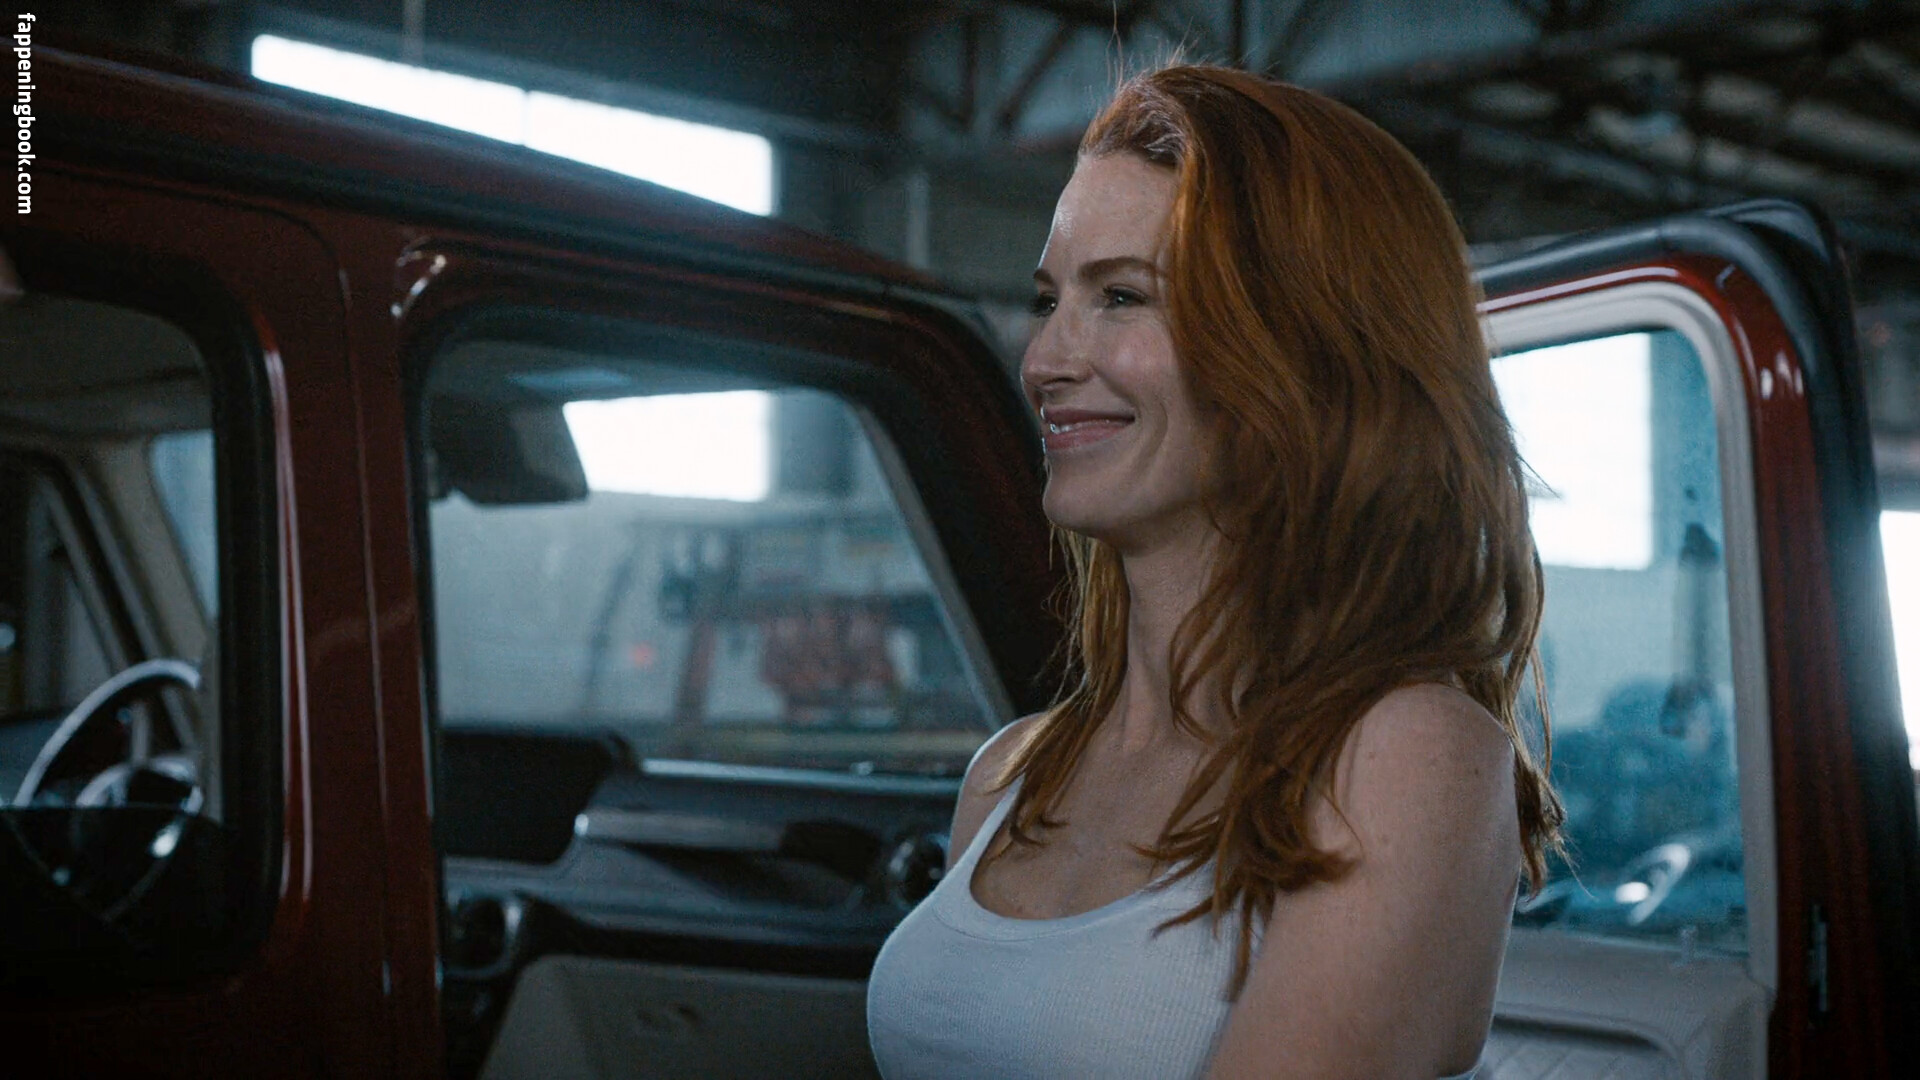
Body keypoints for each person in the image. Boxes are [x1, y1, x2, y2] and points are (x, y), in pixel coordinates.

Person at [866, 63, 1562, 1080]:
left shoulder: (1404, 756)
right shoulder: (1011, 774)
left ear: (1306, 351)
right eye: (1049, 299)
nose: (1045, 359)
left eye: (1120, 296)